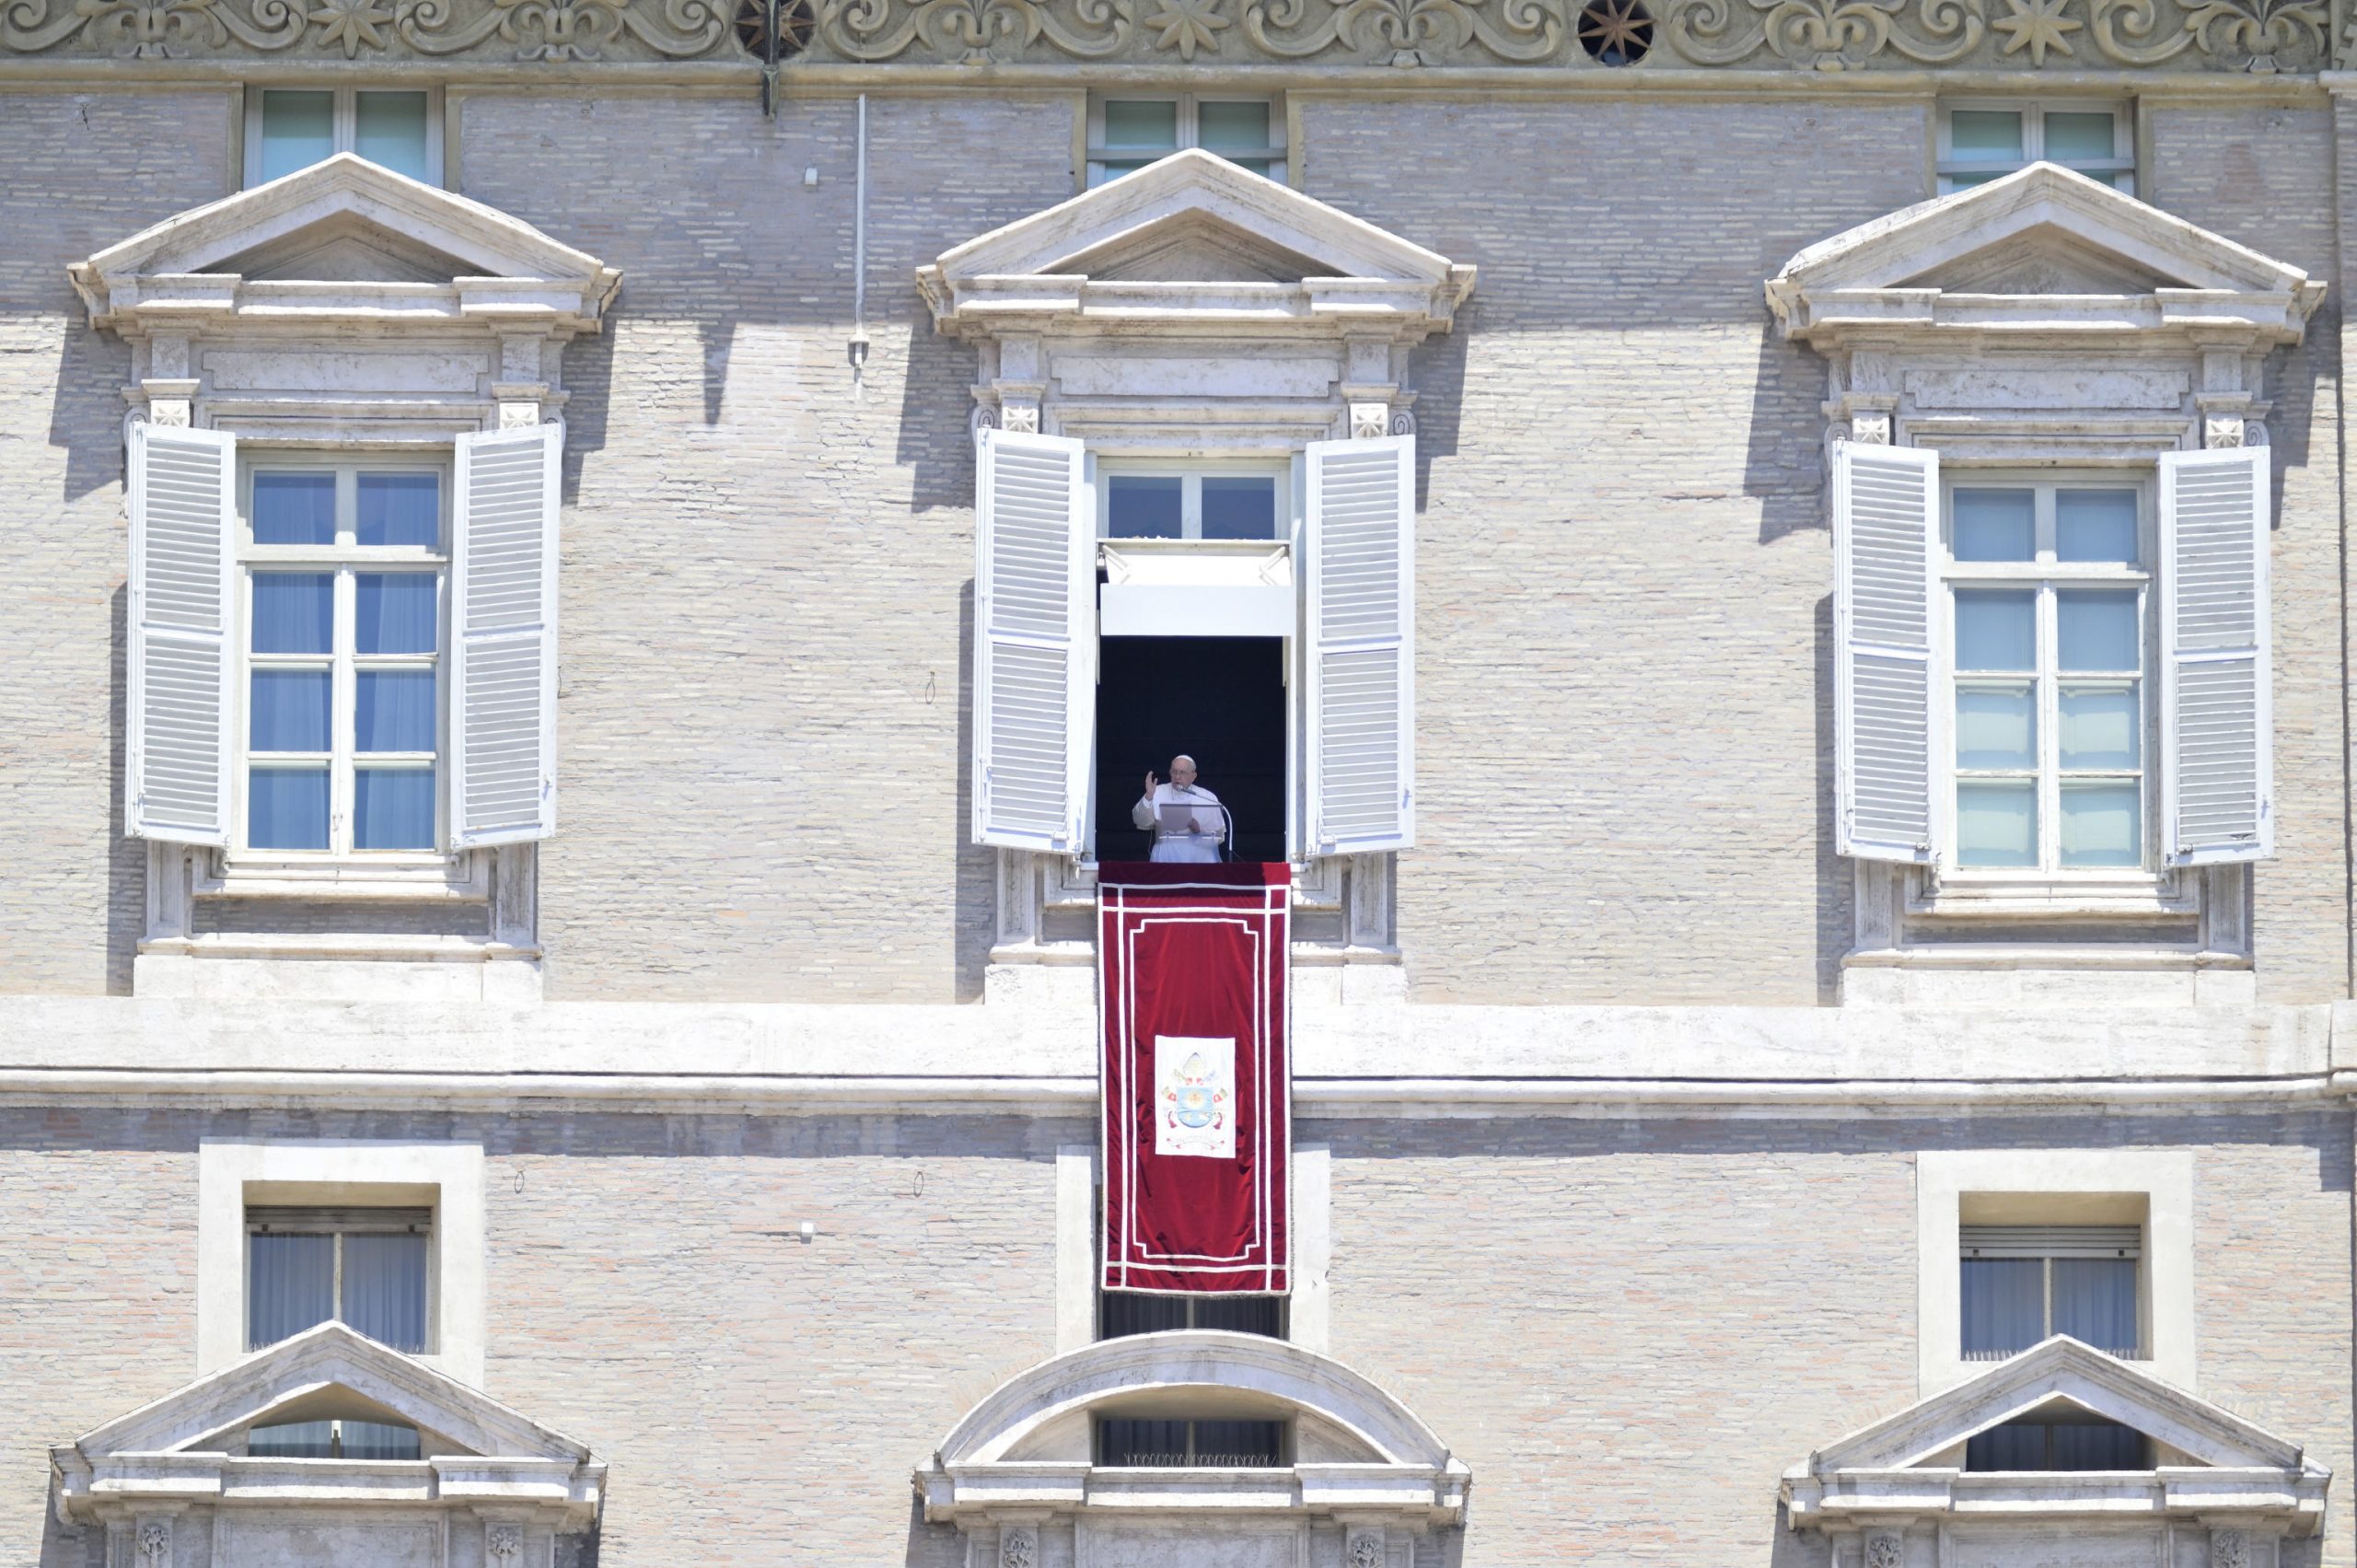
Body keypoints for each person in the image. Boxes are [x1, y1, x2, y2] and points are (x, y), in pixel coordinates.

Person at [1132, 754, 1226, 864]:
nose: (1177, 776)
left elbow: (1219, 837)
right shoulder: (1157, 792)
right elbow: (1140, 821)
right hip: (1166, 857)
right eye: (1174, 771)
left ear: (1193, 776)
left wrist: (1200, 830)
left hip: (1199, 859)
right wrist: (1148, 797)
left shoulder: (1208, 797)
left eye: (1182, 772)